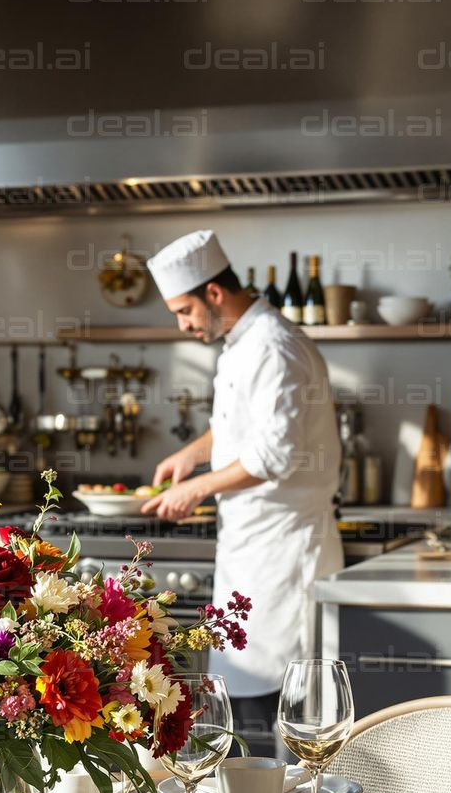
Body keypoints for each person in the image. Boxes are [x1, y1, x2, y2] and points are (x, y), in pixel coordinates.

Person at [143, 230, 342, 756]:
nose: (182, 325)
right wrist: (196, 451)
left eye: (184, 310)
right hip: (249, 548)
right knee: (241, 700)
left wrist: (197, 488)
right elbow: (242, 430)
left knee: (277, 709)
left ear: (213, 294)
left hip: (284, 552)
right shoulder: (239, 344)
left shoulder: (275, 347)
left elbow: (275, 455)